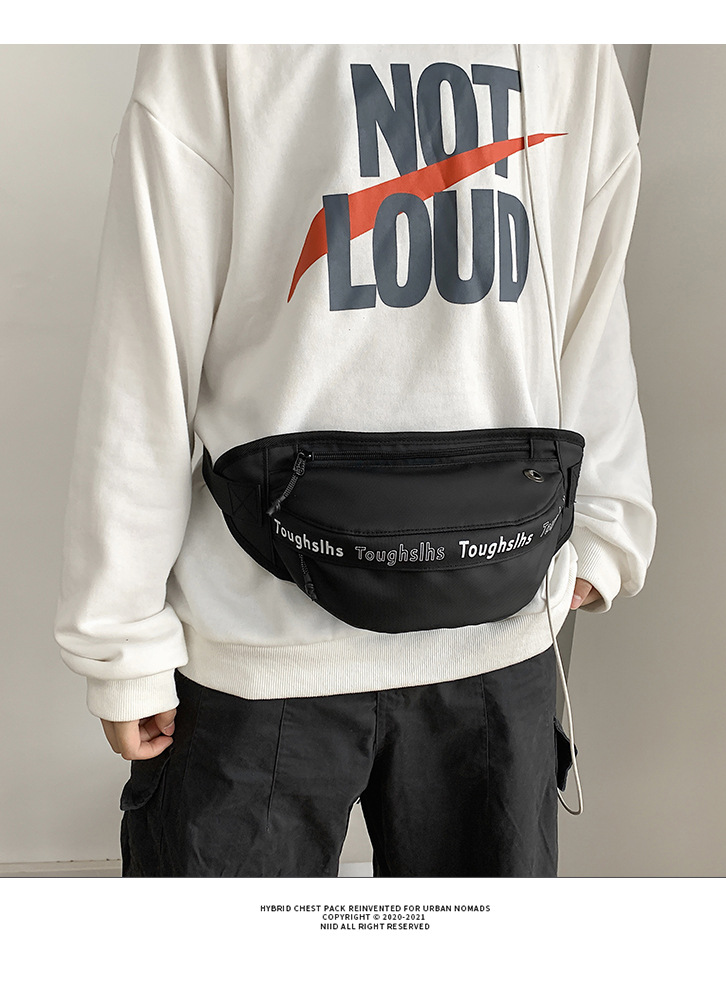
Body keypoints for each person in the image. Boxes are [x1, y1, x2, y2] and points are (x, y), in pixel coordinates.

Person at [54, 44, 656, 877]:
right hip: (260, 638)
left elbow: (592, 282)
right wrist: (121, 640)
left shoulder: (567, 40)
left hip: (496, 630)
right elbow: (149, 329)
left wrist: (610, 522)